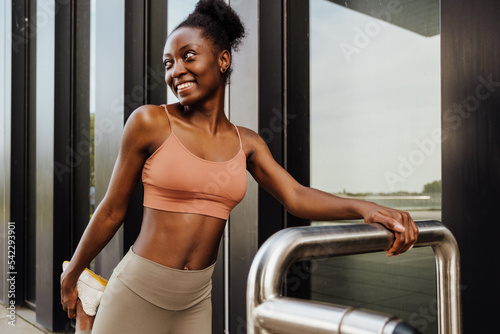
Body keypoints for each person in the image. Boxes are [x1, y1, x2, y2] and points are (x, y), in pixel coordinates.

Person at [60, 1, 418, 333]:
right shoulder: (150, 122)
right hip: (137, 291)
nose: (176, 71)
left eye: (188, 57)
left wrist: (366, 208)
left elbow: (295, 195)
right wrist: (72, 274)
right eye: (168, 63)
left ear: (223, 60)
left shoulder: (246, 143)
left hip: (195, 300)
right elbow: (111, 210)